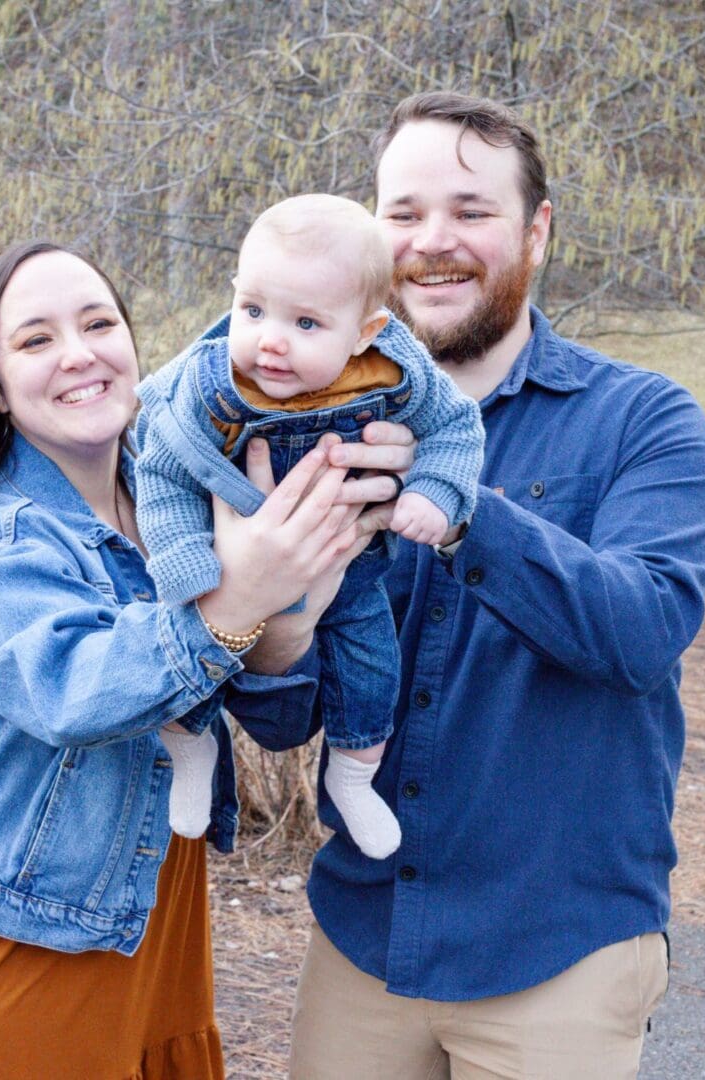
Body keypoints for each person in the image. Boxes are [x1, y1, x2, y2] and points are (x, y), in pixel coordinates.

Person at [0, 241, 388, 1080]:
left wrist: (306, 584)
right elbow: (80, 693)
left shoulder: (183, 496)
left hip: (140, 910)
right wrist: (240, 598)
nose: (80, 353)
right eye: (35, 340)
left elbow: (277, 717)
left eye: (99, 323)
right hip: (0, 928)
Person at [286, 93, 705, 1078]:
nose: (434, 241)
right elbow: (288, 710)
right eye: (403, 214)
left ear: (536, 232)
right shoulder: (322, 430)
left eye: (471, 212)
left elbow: (643, 632)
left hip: (558, 955)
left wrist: (458, 503)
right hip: (365, 938)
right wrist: (261, 612)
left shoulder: (645, 421)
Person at [134, 194, 483, 860]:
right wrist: (182, 555)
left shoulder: (394, 373)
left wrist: (437, 492)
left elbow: (455, 426)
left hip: (348, 573)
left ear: (364, 331)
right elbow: (163, 468)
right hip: (226, 561)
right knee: (189, 645)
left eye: (306, 323)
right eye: (254, 310)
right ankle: (188, 745)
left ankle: (353, 775)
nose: (270, 339)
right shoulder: (211, 387)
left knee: (374, 668)